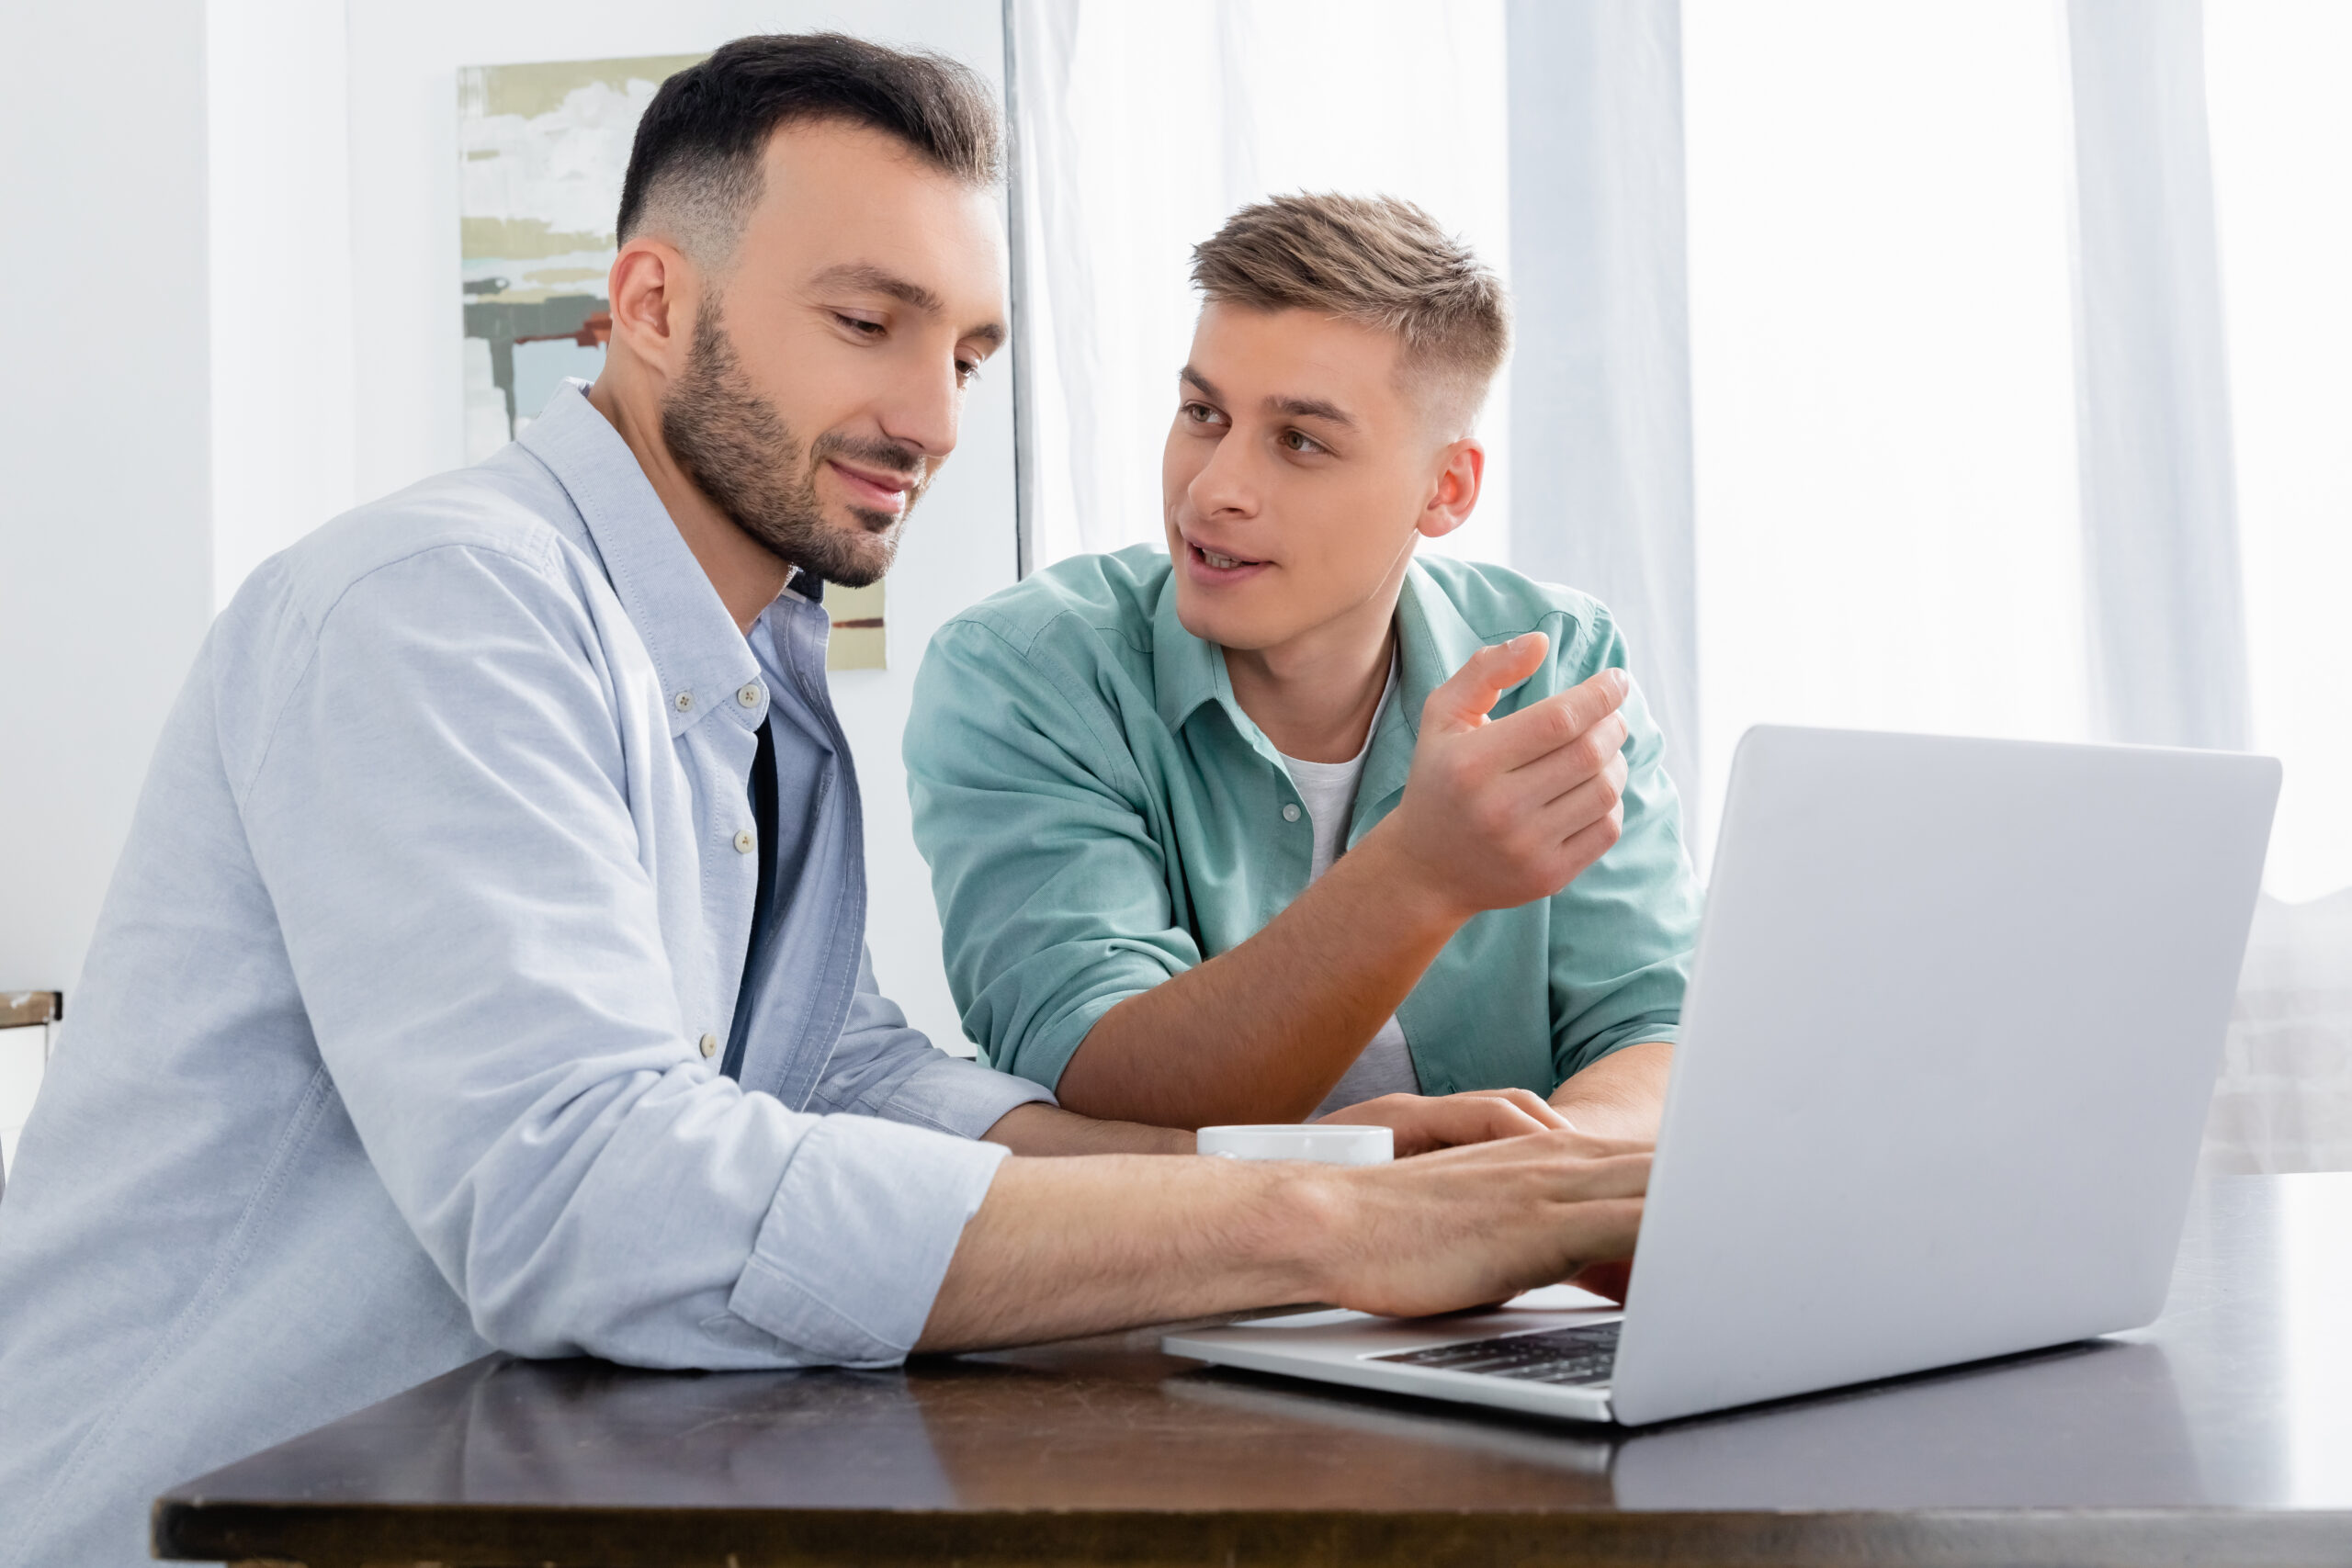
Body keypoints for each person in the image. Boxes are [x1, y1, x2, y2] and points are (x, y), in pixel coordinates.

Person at [0, 35, 1648, 1568]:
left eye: (967, 351)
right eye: (868, 324)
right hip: (186, 1527)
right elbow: (589, 1191)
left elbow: (844, 1071)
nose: (931, 419)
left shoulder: (749, 671)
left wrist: (1321, 1166)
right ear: (652, 301)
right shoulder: (440, 603)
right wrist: (1313, 1221)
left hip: (499, 1500)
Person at [905, 195, 1703, 1136]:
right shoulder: (1026, 675)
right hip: (1195, 1284)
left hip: (1524, 1281)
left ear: (1443, 490)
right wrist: (1419, 874)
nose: (1212, 489)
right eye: (1203, 413)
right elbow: (1098, 1070)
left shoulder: (1557, 661)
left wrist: (1529, 1188)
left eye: (1299, 441)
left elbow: (1655, 1030)